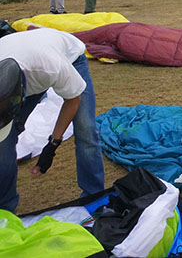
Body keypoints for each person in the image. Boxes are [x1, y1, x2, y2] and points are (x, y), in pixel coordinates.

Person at [0, 28, 105, 213]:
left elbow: (73, 100)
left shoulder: (51, 66)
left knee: (85, 128)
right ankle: (5, 208)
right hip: (23, 60)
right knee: (4, 138)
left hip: (68, 58)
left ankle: (93, 197)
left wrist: (52, 145)